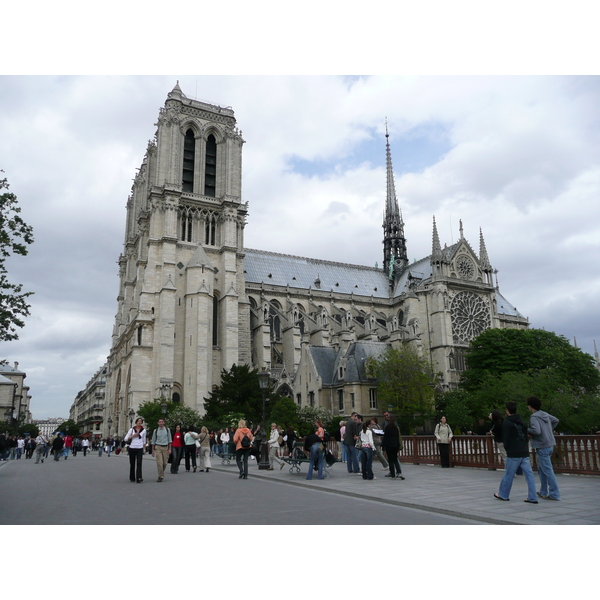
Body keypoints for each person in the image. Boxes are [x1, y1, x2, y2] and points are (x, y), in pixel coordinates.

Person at [494, 401, 538, 503]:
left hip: (513, 452)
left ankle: (503, 494)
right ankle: (532, 497)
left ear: (507, 410)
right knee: (529, 475)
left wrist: (508, 449)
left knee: (509, 474)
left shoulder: (507, 422)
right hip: (524, 451)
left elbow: (506, 438)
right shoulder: (522, 422)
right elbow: (526, 435)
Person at [527, 396, 560, 501]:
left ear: (530, 406)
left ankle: (554, 494)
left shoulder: (534, 417)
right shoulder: (545, 414)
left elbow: (536, 431)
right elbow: (556, 420)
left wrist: (526, 429)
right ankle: (543, 491)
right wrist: (549, 430)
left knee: (547, 470)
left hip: (542, 445)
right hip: (550, 444)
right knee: (542, 470)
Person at [382, 414, 404, 480]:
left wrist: (383, 446)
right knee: (395, 459)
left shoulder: (387, 427)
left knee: (390, 460)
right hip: (395, 445)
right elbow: (398, 437)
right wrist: (398, 446)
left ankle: (393, 475)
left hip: (389, 446)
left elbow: (385, 438)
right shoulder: (396, 428)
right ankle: (399, 472)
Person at [124, 417, 147, 483]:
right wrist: (133, 436)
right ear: (136, 422)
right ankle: (132, 477)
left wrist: (144, 449)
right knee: (132, 463)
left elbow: (144, 440)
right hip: (132, 447)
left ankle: (139, 477)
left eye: (141, 421)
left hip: (139, 448)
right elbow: (126, 439)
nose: (139, 422)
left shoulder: (144, 430)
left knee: (139, 463)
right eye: (138, 421)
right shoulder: (131, 430)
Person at [151, 418, 172, 482]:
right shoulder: (156, 430)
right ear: (158, 423)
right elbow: (153, 441)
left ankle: (161, 473)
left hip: (165, 447)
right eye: (160, 422)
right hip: (158, 447)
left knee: (165, 463)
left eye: (162, 422)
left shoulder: (167, 430)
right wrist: (152, 450)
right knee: (159, 463)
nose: (161, 423)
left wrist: (170, 449)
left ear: (164, 423)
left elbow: (169, 440)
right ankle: (160, 476)